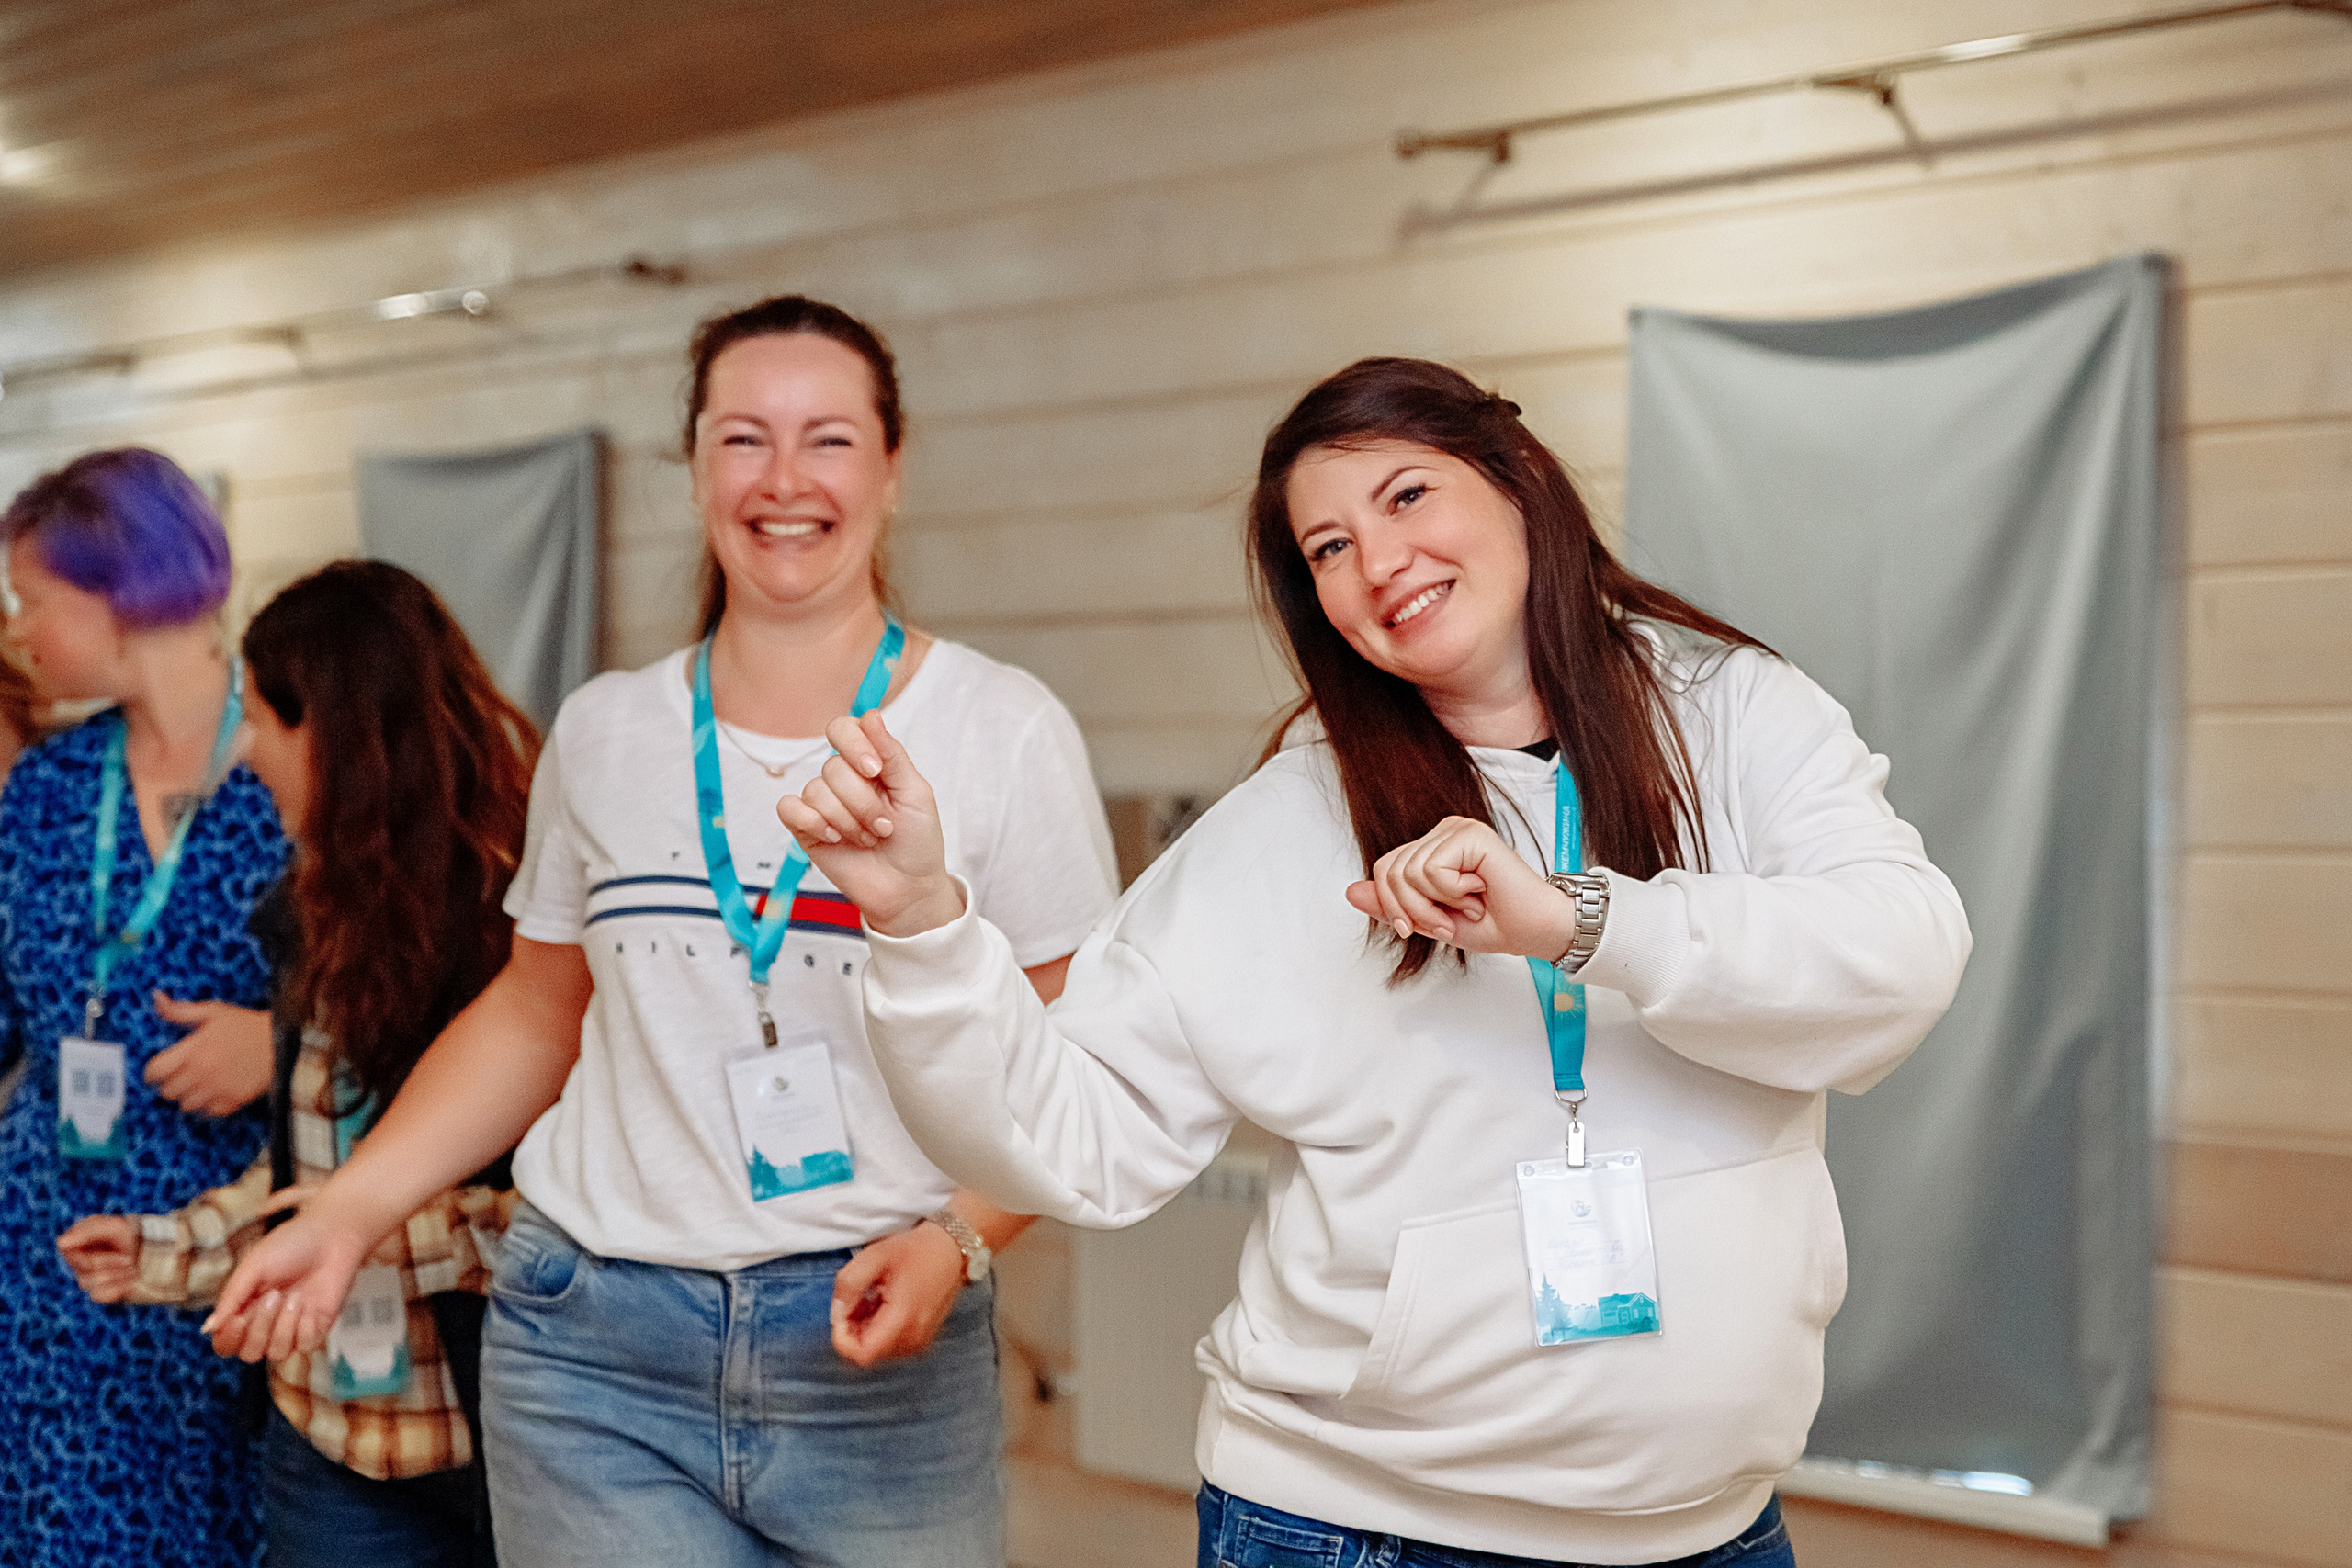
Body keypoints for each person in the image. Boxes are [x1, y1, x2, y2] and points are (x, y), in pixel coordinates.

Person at [775, 358, 1973, 1567]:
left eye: (1408, 497)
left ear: (1518, 479)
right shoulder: (1291, 825)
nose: (1378, 560)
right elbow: (1067, 1130)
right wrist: (921, 920)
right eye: (1328, 547)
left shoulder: (1736, 714)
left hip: (1711, 1529)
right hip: (1357, 1527)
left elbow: (1902, 959)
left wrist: (1574, 921)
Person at [203, 295, 1121, 1567]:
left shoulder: (1003, 728)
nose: (785, 479)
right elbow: (535, 1007)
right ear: (694, 468)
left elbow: (1069, 1044)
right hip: (592, 1342)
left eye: (830, 439)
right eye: (744, 438)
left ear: (893, 470)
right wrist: (350, 1204)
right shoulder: (609, 728)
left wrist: (960, 1232)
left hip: (873, 1325)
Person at [57, 560, 536, 1567]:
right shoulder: (306, 920)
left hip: (498, 1444)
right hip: (324, 1445)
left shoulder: (523, 935)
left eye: (264, 722)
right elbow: (301, 1186)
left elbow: (557, 1222)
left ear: (327, 729)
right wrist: (161, 1251)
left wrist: (358, 1234)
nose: (245, 757)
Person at [0, 448, 288, 1568]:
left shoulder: (295, 759)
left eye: (34, 599)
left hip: (235, 1239)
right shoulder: (50, 784)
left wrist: (285, 1045)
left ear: (120, 589)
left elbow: (415, 986)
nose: (19, 629)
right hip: (49, 1242)